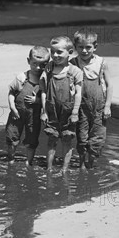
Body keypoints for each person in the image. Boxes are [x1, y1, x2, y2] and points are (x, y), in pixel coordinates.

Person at [70, 29, 113, 169]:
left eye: (88, 47)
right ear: (75, 47)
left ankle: (91, 164)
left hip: (99, 106)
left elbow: (109, 84)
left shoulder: (101, 63)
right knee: (82, 137)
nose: (84, 51)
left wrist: (107, 106)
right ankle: (82, 165)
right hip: (81, 107)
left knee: (97, 137)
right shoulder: (73, 63)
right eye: (80, 47)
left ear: (95, 47)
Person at [40, 36, 83, 172]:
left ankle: (64, 169)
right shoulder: (49, 68)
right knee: (51, 140)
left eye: (59, 52)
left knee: (67, 139)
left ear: (70, 52)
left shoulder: (75, 71)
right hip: (52, 111)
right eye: (52, 52)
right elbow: (44, 91)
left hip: (68, 112)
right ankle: (49, 168)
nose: (55, 55)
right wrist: (44, 111)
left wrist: (75, 112)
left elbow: (78, 94)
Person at [5, 46, 50, 165]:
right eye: (34, 64)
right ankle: (11, 158)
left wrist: (37, 100)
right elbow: (11, 93)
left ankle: (28, 162)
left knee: (32, 138)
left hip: (33, 116)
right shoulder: (21, 78)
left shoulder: (45, 80)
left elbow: (49, 99)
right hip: (17, 114)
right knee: (12, 136)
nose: (38, 68)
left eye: (42, 65)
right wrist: (12, 107)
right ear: (28, 61)